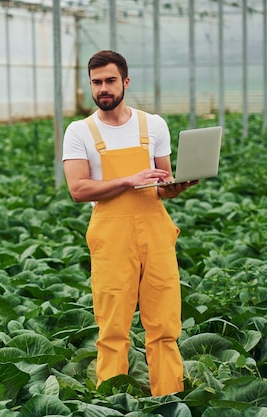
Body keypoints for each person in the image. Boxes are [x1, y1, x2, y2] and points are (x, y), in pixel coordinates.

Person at [62, 50, 197, 396]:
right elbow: (78, 189)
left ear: (125, 81)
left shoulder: (153, 124)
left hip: (155, 230)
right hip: (111, 236)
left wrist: (176, 187)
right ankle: (110, 400)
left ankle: (169, 397)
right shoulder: (80, 131)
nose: (103, 89)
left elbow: (162, 184)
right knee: (112, 328)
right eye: (96, 82)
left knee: (165, 324)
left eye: (109, 81)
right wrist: (128, 180)